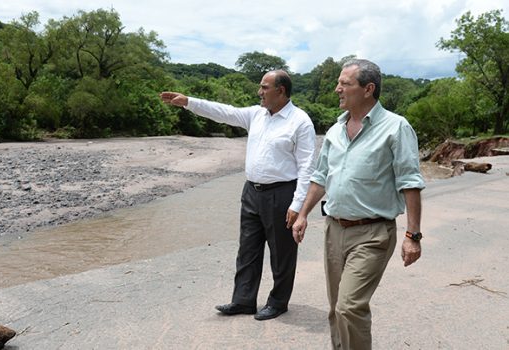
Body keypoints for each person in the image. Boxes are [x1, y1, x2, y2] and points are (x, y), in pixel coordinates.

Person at [160, 70, 316, 321]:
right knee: (248, 249)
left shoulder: (300, 121)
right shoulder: (256, 115)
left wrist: (298, 204)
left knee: (282, 252)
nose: (259, 92)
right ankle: (243, 300)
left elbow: (307, 166)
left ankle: (278, 302)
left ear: (281, 91)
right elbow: (225, 112)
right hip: (251, 192)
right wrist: (189, 102)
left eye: (265, 87)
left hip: (282, 194)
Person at [292, 59, 424, 349]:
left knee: (349, 307)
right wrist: (303, 214)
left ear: (368, 89)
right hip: (334, 230)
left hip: (373, 233)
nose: (337, 88)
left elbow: (410, 182)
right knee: (336, 308)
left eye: (345, 83)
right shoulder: (336, 129)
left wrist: (412, 236)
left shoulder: (395, 127)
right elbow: (320, 177)